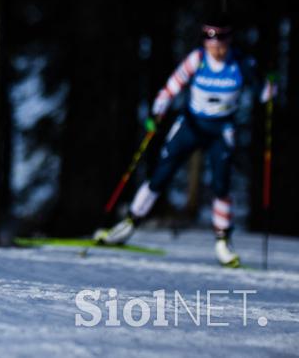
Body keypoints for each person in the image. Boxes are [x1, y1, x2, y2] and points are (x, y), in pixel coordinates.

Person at [96, 17, 275, 266]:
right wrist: (157, 112)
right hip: (191, 125)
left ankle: (223, 241)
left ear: (229, 40)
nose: (217, 47)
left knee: (221, 184)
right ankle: (129, 223)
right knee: (161, 174)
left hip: (221, 129)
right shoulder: (197, 59)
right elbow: (171, 88)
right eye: (211, 40)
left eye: (222, 40)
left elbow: (265, 93)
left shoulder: (241, 63)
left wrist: (268, 84)